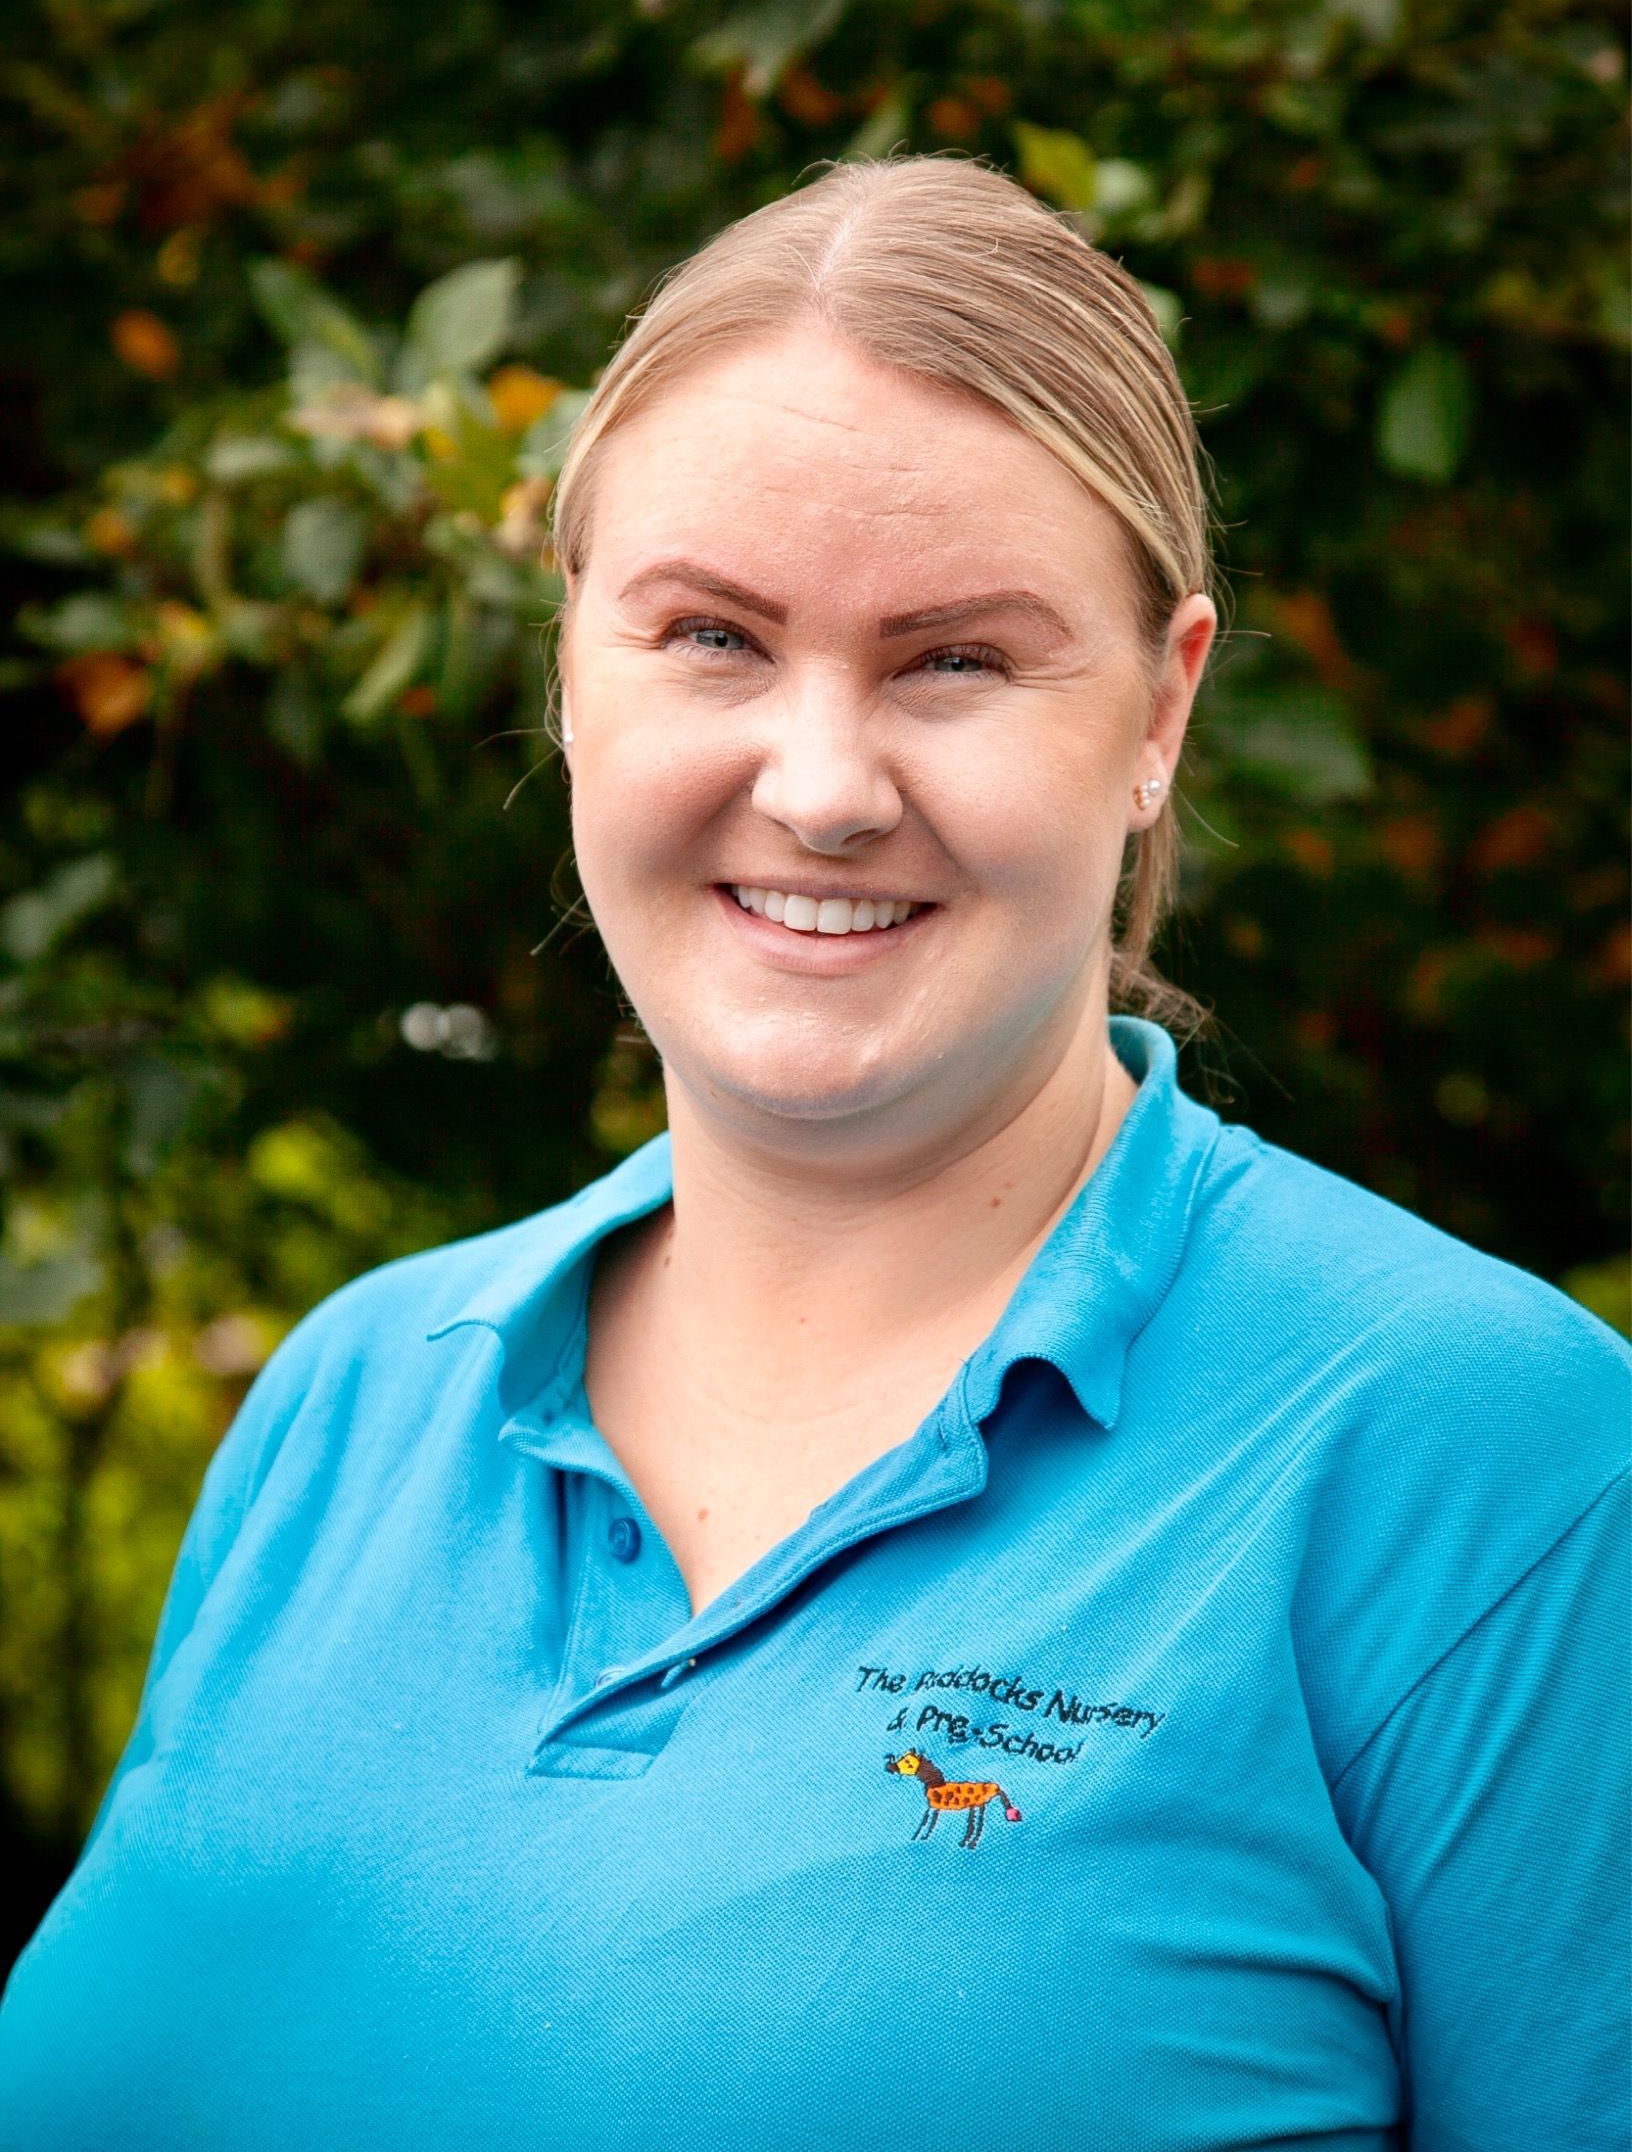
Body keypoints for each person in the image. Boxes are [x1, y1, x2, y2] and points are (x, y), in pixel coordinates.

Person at [0, 156, 1625, 2150]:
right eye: (712, 635)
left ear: (1160, 711)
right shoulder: (355, 1396)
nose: (825, 786)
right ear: (570, 666)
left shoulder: (1491, 1460)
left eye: (955, 659)